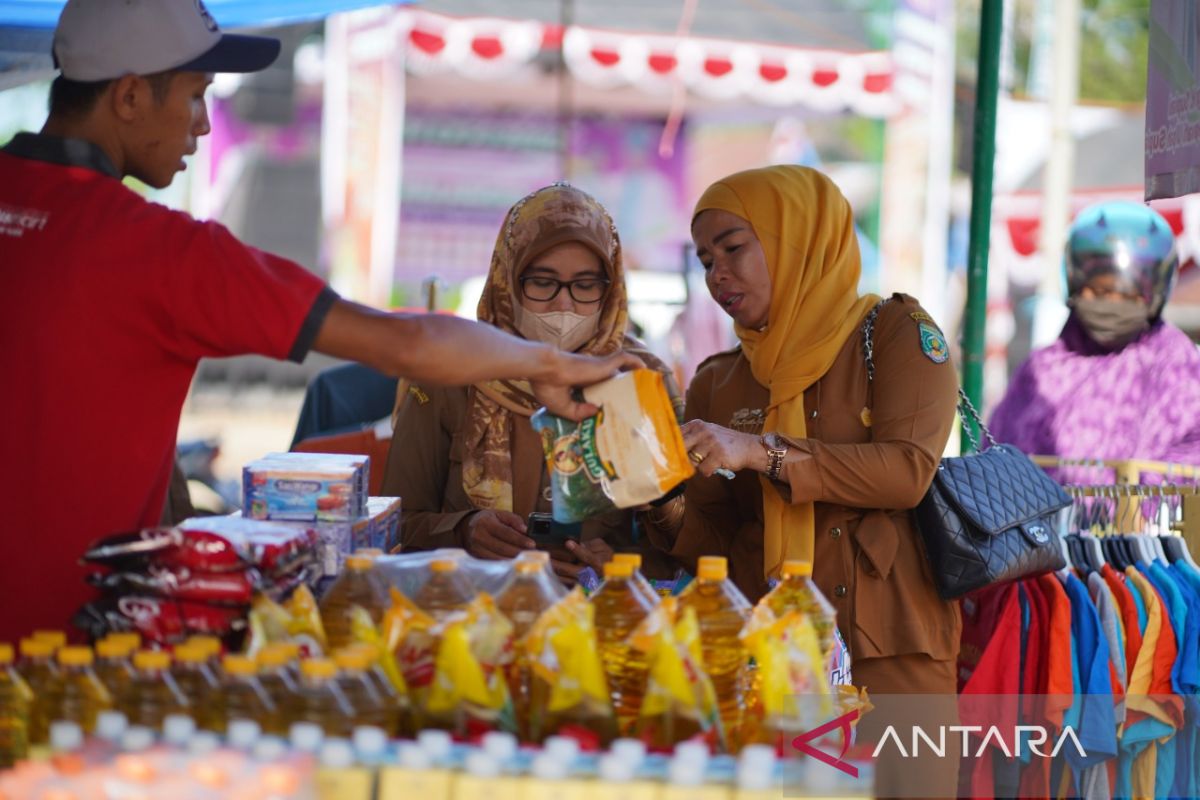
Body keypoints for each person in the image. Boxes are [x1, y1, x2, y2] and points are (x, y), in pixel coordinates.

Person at [0, 0, 638, 642]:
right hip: (68, 645)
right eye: (196, 96)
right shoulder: (162, 253)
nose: (201, 125)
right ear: (131, 96)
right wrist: (550, 363)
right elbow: (408, 342)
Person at [646, 165, 960, 795]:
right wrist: (658, 495)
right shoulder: (719, 379)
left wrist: (764, 452)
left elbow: (906, 473)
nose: (717, 275)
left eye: (734, 248)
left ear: (797, 238)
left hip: (886, 650)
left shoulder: (895, 332)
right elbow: (716, 535)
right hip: (767, 662)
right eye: (706, 259)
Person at [382, 183, 683, 585]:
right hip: (470, 617)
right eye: (543, 282)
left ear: (610, 290)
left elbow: (686, 543)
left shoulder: (640, 379)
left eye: (585, 285)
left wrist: (621, 563)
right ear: (508, 279)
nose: (564, 305)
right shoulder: (449, 374)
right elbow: (392, 522)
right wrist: (463, 531)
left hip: (595, 621)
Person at [991, 201, 1200, 468]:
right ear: (1076, 284)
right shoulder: (1040, 370)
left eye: (1126, 295)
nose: (1111, 303)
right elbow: (996, 452)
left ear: (1153, 295)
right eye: (1099, 292)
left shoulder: (1177, 367)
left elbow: (1188, 460)